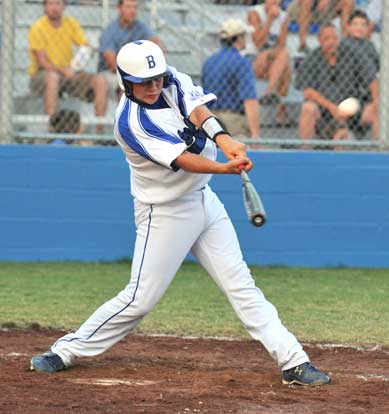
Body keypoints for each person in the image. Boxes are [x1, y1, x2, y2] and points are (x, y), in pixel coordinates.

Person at [30, 40, 330, 387]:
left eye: (156, 77)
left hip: (203, 201)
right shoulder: (131, 122)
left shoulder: (171, 80)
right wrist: (225, 169)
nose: (154, 86)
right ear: (126, 82)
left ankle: (293, 361)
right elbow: (182, 160)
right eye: (144, 81)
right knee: (139, 300)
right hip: (164, 213)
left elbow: (199, 113)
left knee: (242, 285)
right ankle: (66, 350)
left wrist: (226, 141)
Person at [295, 22, 378, 143]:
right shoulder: (312, 58)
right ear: (319, 40)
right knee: (308, 108)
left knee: (377, 109)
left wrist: (376, 101)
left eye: (334, 38)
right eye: (327, 39)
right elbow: (307, 92)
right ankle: (305, 151)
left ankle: (379, 151)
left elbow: (373, 81)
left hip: (354, 109)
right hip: (324, 111)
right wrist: (332, 108)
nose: (331, 42)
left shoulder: (353, 54)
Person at [28, 0, 108, 125]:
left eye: (58, 3)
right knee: (53, 78)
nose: (54, 7)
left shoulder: (71, 23)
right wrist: (64, 70)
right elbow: (42, 62)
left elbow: (85, 46)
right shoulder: (37, 27)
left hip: (69, 72)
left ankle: (99, 132)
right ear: (45, 6)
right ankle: (51, 129)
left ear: (64, 6)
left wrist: (77, 64)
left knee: (101, 81)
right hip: (43, 74)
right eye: (50, 4)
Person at [202, 19, 260, 140]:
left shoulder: (209, 61)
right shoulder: (241, 62)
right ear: (238, 38)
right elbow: (249, 100)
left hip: (211, 120)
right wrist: (256, 135)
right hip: (233, 121)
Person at [98, 0, 165, 99]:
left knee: (159, 80)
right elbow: (113, 65)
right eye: (128, 7)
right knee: (129, 84)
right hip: (111, 73)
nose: (132, 11)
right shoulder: (110, 31)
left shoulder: (141, 27)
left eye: (135, 7)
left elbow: (158, 46)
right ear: (119, 8)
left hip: (137, 70)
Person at [246, 0, 292, 125]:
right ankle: (280, 111)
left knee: (285, 64)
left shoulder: (284, 17)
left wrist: (268, 53)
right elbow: (258, 43)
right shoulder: (255, 13)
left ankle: (270, 91)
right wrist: (270, 20)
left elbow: (281, 46)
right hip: (252, 60)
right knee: (284, 65)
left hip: (271, 62)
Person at [287, 0, 355, 52]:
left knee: (348, 1)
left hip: (328, 9)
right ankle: (302, 44)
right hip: (301, 8)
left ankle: (345, 42)